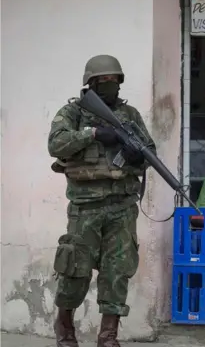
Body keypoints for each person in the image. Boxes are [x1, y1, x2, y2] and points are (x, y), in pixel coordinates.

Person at [48, 55, 156, 347]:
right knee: (74, 270)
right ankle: (65, 327)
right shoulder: (73, 112)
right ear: (91, 83)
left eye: (114, 80)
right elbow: (56, 144)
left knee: (117, 272)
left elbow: (149, 151)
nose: (110, 85)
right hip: (85, 208)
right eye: (104, 81)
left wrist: (136, 153)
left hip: (122, 206)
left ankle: (108, 335)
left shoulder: (129, 114)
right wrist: (94, 133)